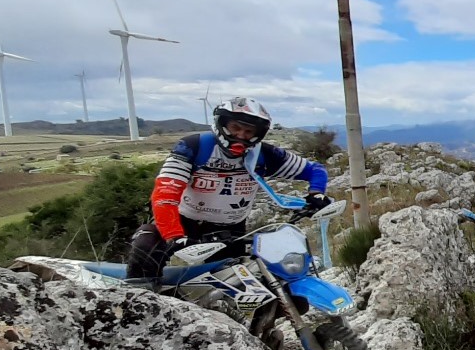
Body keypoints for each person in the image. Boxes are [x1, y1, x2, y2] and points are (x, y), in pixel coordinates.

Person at [127, 96, 331, 279]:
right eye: (235, 128)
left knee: (236, 286)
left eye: (249, 131)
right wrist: (174, 236)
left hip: (229, 230)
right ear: (222, 125)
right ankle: (139, 304)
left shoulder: (264, 155)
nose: (241, 136)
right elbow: (165, 195)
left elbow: (315, 170)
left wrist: (317, 193)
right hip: (182, 222)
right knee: (145, 248)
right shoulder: (194, 146)